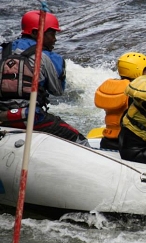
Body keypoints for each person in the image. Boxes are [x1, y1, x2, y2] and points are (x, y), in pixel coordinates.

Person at [0, 10, 88, 145]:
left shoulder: (3, 51)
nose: (55, 39)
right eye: (51, 33)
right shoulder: (50, 58)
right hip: (30, 117)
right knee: (80, 140)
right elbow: (57, 91)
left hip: (2, 115)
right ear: (35, 33)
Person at [94, 52, 146, 149]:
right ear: (137, 71)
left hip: (107, 139)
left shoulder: (111, 86)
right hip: (126, 143)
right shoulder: (134, 92)